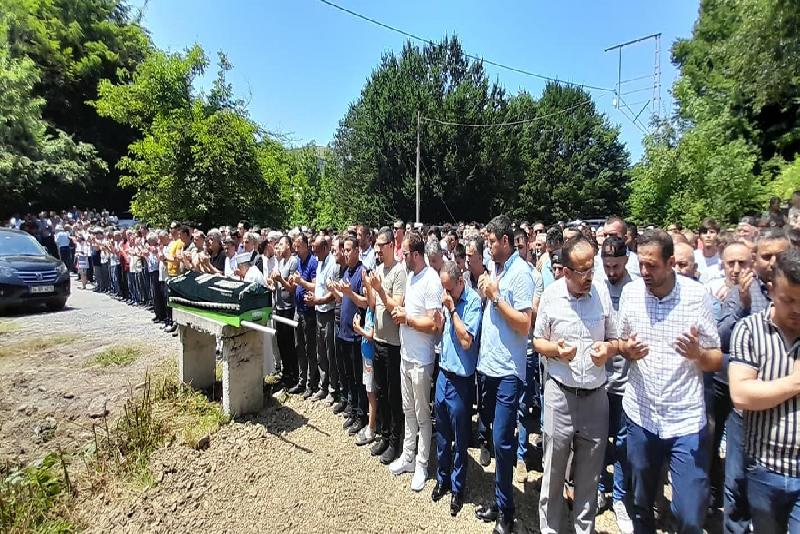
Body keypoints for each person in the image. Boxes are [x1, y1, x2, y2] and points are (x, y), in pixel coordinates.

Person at [618, 229, 722, 533]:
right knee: (641, 504)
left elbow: (716, 358)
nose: (645, 272)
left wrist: (697, 354)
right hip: (641, 416)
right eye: (641, 265)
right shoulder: (631, 294)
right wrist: (627, 350)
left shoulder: (695, 297)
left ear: (671, 262)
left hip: (685, 421)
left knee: (689, 514)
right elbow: (621, 343)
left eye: (652, 266)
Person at [534, 236, 617, 534]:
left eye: (592, 268)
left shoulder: (602, 293)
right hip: (560, 395)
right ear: (565, 271)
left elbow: (613, 338)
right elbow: (537, 340)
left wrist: (609, 350)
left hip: (596, 398)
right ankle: (551, 529)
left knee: (589, 476)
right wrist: (557, 351)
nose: (590, 276)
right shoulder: (552, 296)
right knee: (554, 472)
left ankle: (584, 529)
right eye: (582, 271)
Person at [715, 227, 789, 532]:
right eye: (766, 256)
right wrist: (742, 302)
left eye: (779, 256)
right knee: (737, 480)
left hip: (787, 412)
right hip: (741, 402)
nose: (772, 263)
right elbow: (719, 339)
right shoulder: (738, 292)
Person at [729, 246, 800, 533]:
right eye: (788, 300)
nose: (796, 309)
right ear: (770, 290)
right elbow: (742, 395)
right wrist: (794, 382)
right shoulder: (750, 331)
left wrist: (771, 389)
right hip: (765, 468)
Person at [474, 215, 534, 534]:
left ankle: (507, 513)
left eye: (491, 242)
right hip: (489, 367)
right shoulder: (494, 270)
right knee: (496, 440)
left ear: (506, 241)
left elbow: (524, 324)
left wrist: (495, 297)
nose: (488, 246)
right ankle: (499, 500)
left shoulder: (522, 273)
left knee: (502, 441)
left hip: (509, 371)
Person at [388, 232, 442, 493]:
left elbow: (434, 324)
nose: (402, 256)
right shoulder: (410, 276)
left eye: (405, 253)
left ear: (417, 255)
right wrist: (404, 315)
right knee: (408, 409)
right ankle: (408, 457)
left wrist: (407, 319)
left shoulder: (431, 280)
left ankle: (422, 464)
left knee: (422, 415)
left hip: (421, 359)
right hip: (406, 356)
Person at [431, 261, 482, 517]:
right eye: (444, 289)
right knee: (442, 435)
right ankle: (443, 479)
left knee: (460, 439)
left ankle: (458, 488)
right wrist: (440, 322)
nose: (445, 294)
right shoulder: (448, 298)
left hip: (461, 381)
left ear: (460, 282)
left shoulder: (472, 302)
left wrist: (452, 312)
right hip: (443, 375)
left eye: (449, 289)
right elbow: (443, 335)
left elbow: (465, 341)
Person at [598, 235, 634, 533]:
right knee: (597, 440)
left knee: (622, 444)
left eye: (616, 265)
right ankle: (598, 488)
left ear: (626, 260)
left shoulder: (636, 289)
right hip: (600, 379)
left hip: (627, 382)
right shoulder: (597, 286)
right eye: (607, 265)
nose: (612, 271)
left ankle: (620, 497)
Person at [368, 227, 407, 463]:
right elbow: (374, 306)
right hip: (379, 340)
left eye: (381, 246)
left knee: (393, 395)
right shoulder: (379, 270)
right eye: (376, 246)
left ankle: (395, 440)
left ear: (392, 245)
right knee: (380, 391)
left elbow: (396, 306)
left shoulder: (398, 273)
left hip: (393, 345)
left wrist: (380, 289)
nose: (377, 250)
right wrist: (369, 287)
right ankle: (383, 434)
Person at [303, 236, 337, 403]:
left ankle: (333, 389)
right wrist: (314, 297)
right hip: (318, 313)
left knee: (331, 353)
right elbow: (319, 287)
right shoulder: (320, 262)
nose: (314, 253)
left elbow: (332, 293)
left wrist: (318, 300)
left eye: (316, 250)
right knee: (320, 352)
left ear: (325, 248)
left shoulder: (332, 264)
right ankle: (323, 387)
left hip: (329, 313)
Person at [291, 234, 319, 399]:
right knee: (299, 347)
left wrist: (300, 282)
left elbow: (315, 286)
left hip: (309, 313)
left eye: (299, 246)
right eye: (295, 245)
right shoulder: (298, 262)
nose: (296, 249)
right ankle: (302, 381)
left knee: (310, 348)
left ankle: (310, 383)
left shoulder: (312, 263)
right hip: (298, 310)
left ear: (306, 246)